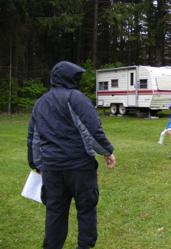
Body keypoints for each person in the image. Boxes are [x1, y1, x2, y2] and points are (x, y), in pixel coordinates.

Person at [27, 61, 116, 249]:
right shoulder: (76, 98)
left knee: (55, 212)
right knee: (86, 209)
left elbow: (33, 138)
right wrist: (107, 152)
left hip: (52, 169)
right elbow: (93, 130)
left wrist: (38, 165)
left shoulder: (41, 102)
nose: (79, 80)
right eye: (76, 77)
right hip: (79, 169)